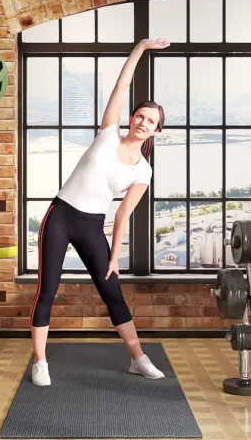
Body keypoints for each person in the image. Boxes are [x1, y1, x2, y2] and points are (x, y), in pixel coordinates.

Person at [29, 38, 170, 386]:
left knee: (112, 293)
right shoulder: (108, 134)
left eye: (150, 121)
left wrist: (114, 256)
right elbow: (121, 85)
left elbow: (122, 215)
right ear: (131, 118)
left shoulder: (143, 171)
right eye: (140, 116)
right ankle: (40, 362)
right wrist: (141, 48)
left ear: (156, 131)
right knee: (47, 290)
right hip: (61, 217)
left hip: (92, 227)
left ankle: (138, 358)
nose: (143, 122)